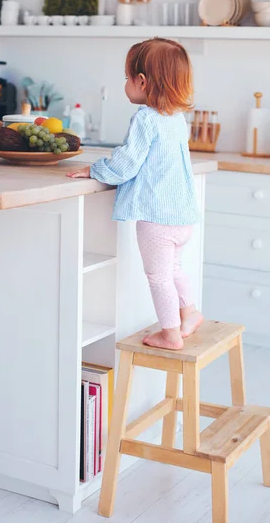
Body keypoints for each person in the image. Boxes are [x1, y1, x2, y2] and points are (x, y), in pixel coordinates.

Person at [67, 38, 203, 350]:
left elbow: (126, 164)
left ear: (142, 81)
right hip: (182, 216)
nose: (127, 83)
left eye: (127, 77)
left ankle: (170, 334)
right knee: (174, 269)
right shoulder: (176, 118)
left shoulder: (146, 118)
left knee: (158, 277)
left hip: (156, 219)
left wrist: (95, 169)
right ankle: (190, 313)